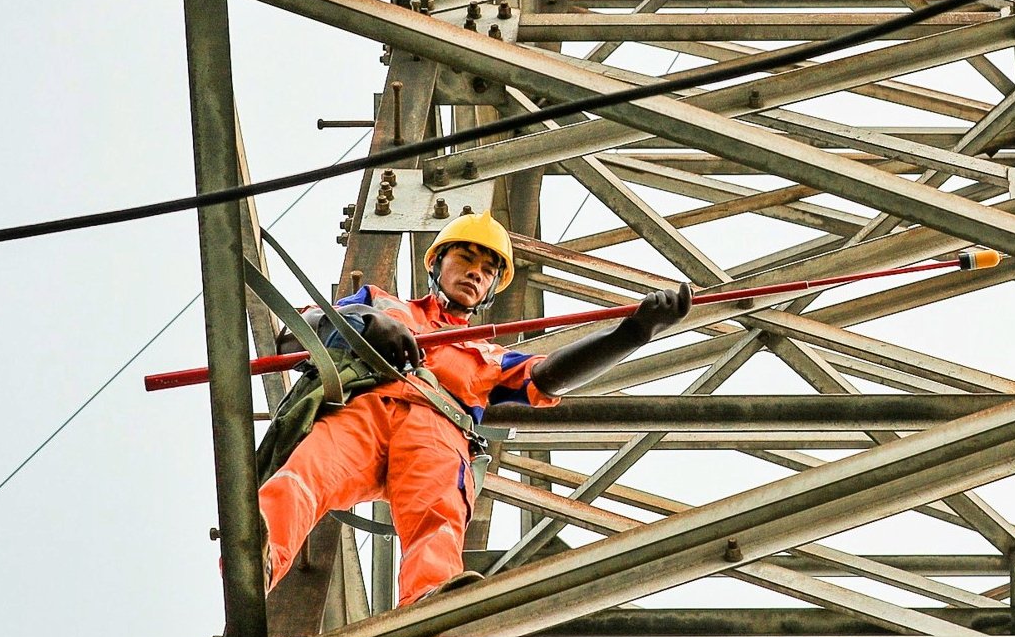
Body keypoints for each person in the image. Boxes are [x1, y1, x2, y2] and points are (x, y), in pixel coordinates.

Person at [256, 211, 690, 606]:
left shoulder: (487, 355)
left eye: (487, 271)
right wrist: (366, 322)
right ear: (436, 264)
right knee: (303, 474)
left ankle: (429, 600)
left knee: (438, 519)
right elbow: (294, 336)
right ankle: (259, 559)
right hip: (365, 412)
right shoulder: (384, 304)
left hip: (437, 434)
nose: (475, 275)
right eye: (465, 259)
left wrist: (631, 334)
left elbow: (549, 377)